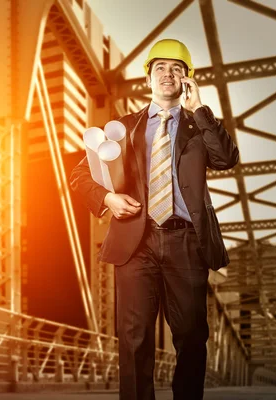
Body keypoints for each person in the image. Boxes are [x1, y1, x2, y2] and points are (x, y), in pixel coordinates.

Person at [70, 39, 239, 400]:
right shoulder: (122, 128)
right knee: (134, 339)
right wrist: (107, 198)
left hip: (186, 243)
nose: (168, 74)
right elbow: (80, 176)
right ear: (148, 76)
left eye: (177, 68)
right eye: (160, 67)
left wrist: (201, 110)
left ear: (187, 80)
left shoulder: (198, 127)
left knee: (192, 338)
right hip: (136, 243)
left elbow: (226, 158)